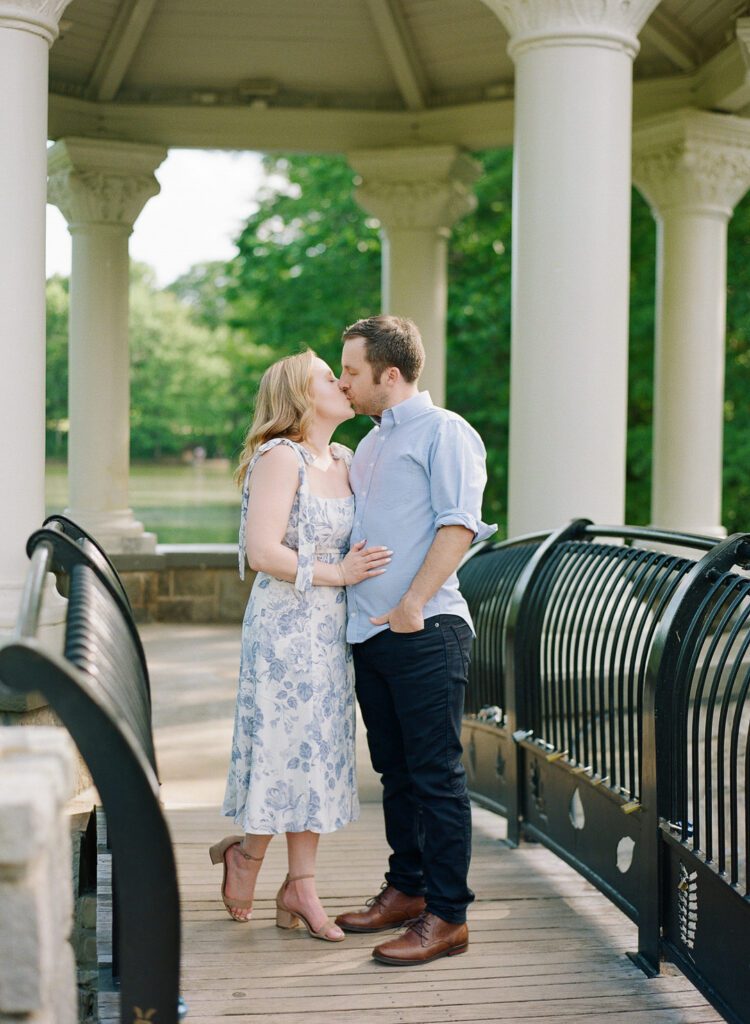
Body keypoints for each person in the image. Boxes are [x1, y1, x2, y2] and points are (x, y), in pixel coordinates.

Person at [210, 349, 391, 942]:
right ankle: (260, 865)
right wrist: (339, 573)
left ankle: (294, 881)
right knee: (282, 745)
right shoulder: (278, 457)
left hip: (332, 631)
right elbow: (262, 552)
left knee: (315, 752)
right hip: (284, 628)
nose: (341, 382)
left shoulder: (344, 457)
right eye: (326, 377)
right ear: (299, 396)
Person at [334, 315, 495, 965]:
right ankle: (407, 889)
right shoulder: (370, 445)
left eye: (351, 371)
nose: (343, 382)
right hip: (371, 637)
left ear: (389, 375)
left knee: (435, 776)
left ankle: (448, 915)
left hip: (426, 630)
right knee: (395, 773)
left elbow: (461, 524)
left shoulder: (446, 432)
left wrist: (413, 602)